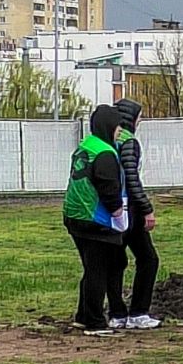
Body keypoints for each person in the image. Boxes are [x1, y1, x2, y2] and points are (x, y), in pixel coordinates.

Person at [64, 105, 128, 336]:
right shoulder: (105, 153)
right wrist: (118, 213)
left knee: (92, 268)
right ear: (109, 127)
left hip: (74, 215)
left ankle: (83, 316)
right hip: (94, 219)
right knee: (99, 271)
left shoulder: (87, 146)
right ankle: (94, 322)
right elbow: (108, 187)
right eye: (118, 126)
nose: (120, 131)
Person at [112, 100, 161, 330]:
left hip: (111, 207)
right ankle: (139, 312)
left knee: (115, 262)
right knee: (148, 259)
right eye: (139, 116)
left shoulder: (110, 138)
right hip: (129, 208)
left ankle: (116, 313)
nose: (140, 120)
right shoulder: (129, 141)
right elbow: (132, 178)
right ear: (131, 118)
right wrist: (146, 208)